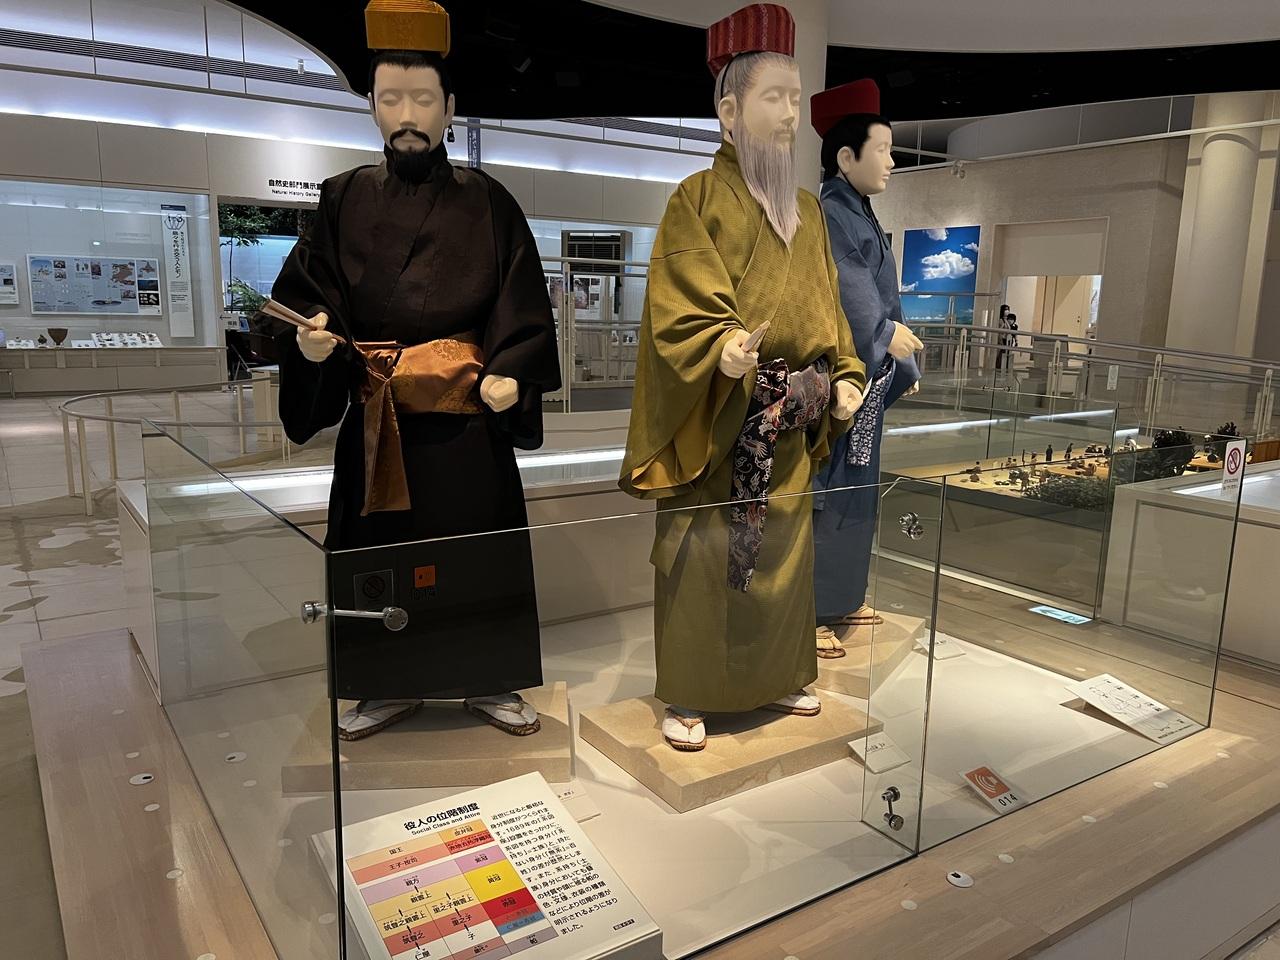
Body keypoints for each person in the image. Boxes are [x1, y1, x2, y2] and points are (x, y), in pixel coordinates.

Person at [271, 0, 561, 740]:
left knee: (476, 551)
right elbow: (309, 299)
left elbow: (523, 303)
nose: (408, 116)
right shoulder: (341, 199)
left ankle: (487, 677)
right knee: (380, 559)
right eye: (391, 98)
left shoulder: (489, 202)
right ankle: (384, 683)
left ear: (450, 108)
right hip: (378, 422)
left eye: (424, 99)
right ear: (371, 106)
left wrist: (511, 367)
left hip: (467, 424)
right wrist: (313, 342)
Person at [619, 3, 866, 752]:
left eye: (796, 98)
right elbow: (679, 307)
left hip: (790, 426)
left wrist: (845, 372)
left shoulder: (807, 212)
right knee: (705, 563)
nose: (791, 116)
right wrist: (721, 349)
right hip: (723, 421)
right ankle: (691, 691)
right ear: (728, 113)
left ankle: (777, 676)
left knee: (785, 559)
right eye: (773, 98)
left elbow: (830, 308)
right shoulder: (695, 199)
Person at [808, 78, 922, 649]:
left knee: (858, 486)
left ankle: (844, 597)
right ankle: (811, 610)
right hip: (843, 379)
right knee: (830, 489)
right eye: (882, 150)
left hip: (870, 373)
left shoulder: (860, 212)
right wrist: (883, 337)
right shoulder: (832, 213)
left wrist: (899, 358)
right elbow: (851, 294)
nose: (892, 162)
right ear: (846, 157)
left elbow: (878, 294)